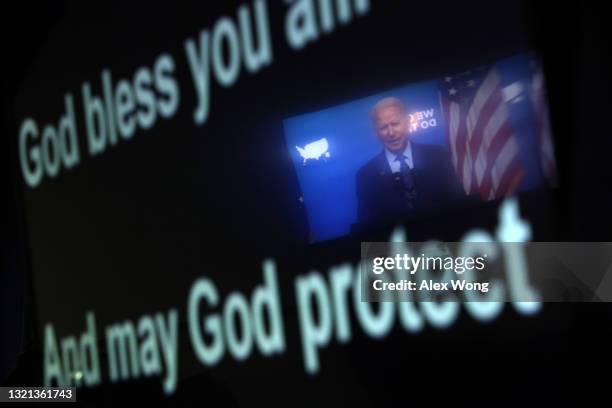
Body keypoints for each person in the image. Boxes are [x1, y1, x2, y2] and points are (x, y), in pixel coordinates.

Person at [356, 97, 464, 223]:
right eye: (383, 127)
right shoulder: (365, 175)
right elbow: (367, 228)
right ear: (376, 132)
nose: (391, 132)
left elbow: (459, 203)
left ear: (408, 122)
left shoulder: (438, 156)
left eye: (395, 124)